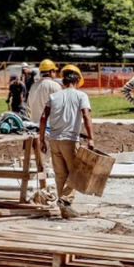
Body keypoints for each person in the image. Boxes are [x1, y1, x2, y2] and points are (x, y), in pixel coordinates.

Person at [39, 64, 94, 219]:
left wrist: (41, 139)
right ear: (77, 81)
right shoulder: (81, 96)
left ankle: (64, 211)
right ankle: (65, 200)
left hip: (54, 140)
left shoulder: (54, 96)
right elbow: (86, 116)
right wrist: (91, 139)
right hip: (70, 140)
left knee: (61, 175)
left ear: (64, 81)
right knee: (78, 173)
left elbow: (43, 118)